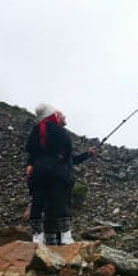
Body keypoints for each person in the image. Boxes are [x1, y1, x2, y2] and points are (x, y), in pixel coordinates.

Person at [25, 105, 99, 246]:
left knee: (38, 204)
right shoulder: (60, 132)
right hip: (58, 176)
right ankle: (65, 239)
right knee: (60, 204)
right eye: (62, 115)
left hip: (40, 175)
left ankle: (38, 238)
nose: (65, 117)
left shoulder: (39, 131)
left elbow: (34, 152)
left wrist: (87, 154)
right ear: (55, 116)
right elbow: (68, 158)